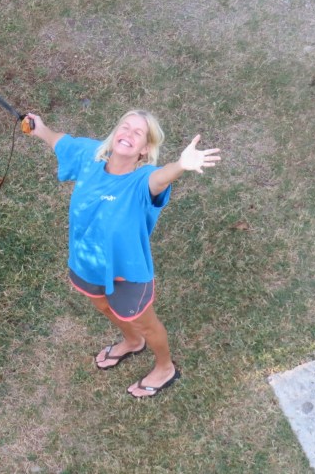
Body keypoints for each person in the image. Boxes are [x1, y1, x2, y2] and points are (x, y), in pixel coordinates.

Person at [24, 109, 220, 398]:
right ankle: (132, 341)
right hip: (86, 263)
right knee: (104, 307)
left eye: (137, 133)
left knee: (146, 324)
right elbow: (62, 142)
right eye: (125, 127)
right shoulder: (90, 156)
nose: (128, 134)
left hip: (127, 273)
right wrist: (40, 129)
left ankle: (165, 368)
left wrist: (180, 165)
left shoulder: (142, 180)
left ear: (145, 149)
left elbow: (161, 179)